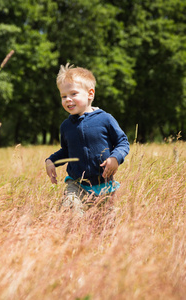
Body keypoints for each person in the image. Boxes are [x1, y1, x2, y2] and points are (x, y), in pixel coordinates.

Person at [45, 63, 129, 213]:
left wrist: (115, 158)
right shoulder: (66, 126)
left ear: (90, 94)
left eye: (73, 94)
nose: (68, 99)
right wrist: (51, 161)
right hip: (76, 183)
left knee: (104, 225)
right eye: (63, 96)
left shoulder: (105, 119)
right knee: (70, 210)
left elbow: (123, 142)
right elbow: (66, 151)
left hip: (104, 183)